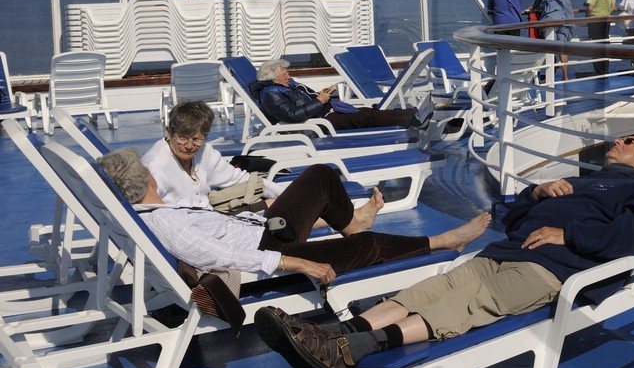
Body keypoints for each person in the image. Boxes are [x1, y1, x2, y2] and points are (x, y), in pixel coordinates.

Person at [254, 135, 634, 368]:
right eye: (621, 139)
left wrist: (567, 234)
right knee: (424, 291)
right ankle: (330, 335)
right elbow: (507, 216)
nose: (619, 143)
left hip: (554, 268)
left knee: (461, 306)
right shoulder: (577, 181)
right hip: (504, 251)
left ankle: (348, 349)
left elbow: (628, 241)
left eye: (632, 144)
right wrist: (535, 194)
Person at [97, 147, 487, 284]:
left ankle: (352, 223)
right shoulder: (163, 220)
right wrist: (296, 262)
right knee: (368, 246)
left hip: (264, 230)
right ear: (143, 179)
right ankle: (444, 241)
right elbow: (213, 256)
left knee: (319, 175)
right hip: (270, 248)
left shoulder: (161, 208)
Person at [144, 100, 289, 208]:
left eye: (196, 139)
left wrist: (291, 197)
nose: (189, 146)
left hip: (211, 219)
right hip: (185, 231)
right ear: (169, 132)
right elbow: (153, 213)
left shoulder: (205, 152)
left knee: (277, 207)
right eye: (182, 137)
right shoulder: (155, 166)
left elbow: (241, 179)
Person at [251, 58, 425, 132]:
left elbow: (298, 103)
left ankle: (415, 116)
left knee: (366, 112)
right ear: (274, 78)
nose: (288, 76)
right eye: (285, 74)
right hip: (319, 123)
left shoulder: (283, 87)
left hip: (323, 113)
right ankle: (414, 118)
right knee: (367, 118)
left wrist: (319, 96)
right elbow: (292, 115)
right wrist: (319, 101)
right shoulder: (271, 95)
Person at [534, 0, 575, 79]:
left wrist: (533, 9)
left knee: (551, 48)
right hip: (564, 21)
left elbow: (538, 2)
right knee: (562, 48)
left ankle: (550, 76)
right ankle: (565, 75)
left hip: (551, 21)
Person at [584, 0, 615, 77]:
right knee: (604, 44)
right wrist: (605, 12)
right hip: (606, 20)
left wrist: (587, 17)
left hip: (595, 21)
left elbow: (590, 7)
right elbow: (613, 7)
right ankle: (605, 70)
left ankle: (599, 71)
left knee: (596, 46)